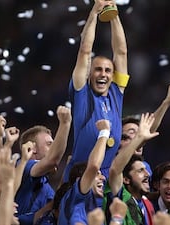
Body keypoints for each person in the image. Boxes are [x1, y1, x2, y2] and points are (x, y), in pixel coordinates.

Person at [64, 0, 129, 181]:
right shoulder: (82, 93)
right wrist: (95, 12)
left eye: (108, 70)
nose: (103, 74)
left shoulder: (116, 92)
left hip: (107, 176)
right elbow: (85, 51)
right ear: (89, 74)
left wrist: (113, 14)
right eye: (98, 69)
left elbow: (121, 51)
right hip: (80, 173)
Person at [14, 106, 72, 225]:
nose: (53, 148)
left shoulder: (45, 184)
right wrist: (65, 124)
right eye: (49, 144)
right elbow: (52, 160)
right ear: (32, 149)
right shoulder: (23, 166)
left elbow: (53, 206)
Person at [104, 113, 159, 225]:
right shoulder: (120, 193)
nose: (147, 174)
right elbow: (115, 169)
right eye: (140, 171)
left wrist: (167, 102)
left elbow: (148, 131)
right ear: (126, 179)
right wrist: (139, 137)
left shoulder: (142, 204)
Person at [119, 83, 170, 176]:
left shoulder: (146, 169)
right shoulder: (111, 165)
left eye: (139, 133)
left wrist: (167, 102)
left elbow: (147, 132)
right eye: (131, 133)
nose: (139, 136)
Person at [58, 119, 110, 225]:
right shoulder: (75, 199)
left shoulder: (96, 205)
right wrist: (104, 132)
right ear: (79, 180)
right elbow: (94, 166)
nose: (103, 178)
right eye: (97, 174)